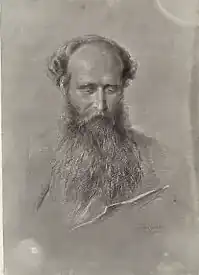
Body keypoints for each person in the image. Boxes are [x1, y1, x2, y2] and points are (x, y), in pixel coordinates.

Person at [13, 35, 192, 275]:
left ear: (123, 87)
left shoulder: (163, 163)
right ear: (64, 87)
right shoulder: (36, 161)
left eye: (111, 89)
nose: (101, 105)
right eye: (87, 89)